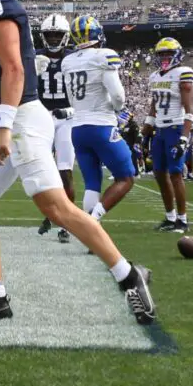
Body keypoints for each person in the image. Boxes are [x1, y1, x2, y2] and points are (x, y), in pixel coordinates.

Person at [0, 0, 154, 324]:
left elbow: (13, 70)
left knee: (56, 208)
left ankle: (127, 275)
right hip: (14, 117)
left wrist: (5, 127)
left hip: (20, 119)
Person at [60, 15, 136, 227]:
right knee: (126, 177)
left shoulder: (68, 61)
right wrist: (119, 110)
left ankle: (90, 234)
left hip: (78, 128)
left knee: (92, 183)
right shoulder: (104, 55)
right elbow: (119, 96)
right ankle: (92, 223)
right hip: (101, 125)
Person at [34, 12, 77, 243]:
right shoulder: (33, 56)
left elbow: (84, 92)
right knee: (41, 170)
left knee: (65, 171)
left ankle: (67, 224)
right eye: (48, 36)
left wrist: (71, 110)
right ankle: (51, 214)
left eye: (56, 35)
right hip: (41, 116)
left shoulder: (75, 58)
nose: (52, 40)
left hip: (67, 118)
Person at [144, 38, 193, 232]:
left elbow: (189, 107)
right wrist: (146, 130)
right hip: (160, 129)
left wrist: (184, 136)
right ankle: (170, 217)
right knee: (158, 173)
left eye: (168, 54)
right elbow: (153, 105)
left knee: (175, 174)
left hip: (175, 127)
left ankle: (182, 219)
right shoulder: (155, 76)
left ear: (177, 55)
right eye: (161, 54)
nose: (165, 57)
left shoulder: (183, 73)